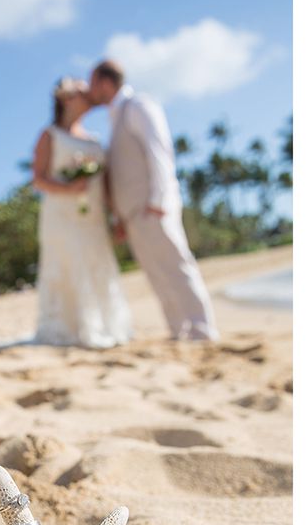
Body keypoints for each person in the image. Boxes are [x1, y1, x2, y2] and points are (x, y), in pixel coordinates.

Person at [89, 60, 219, 341]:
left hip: (153, 206)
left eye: (93, 82)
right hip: (134, 214)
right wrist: (120, 217)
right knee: (156, 273)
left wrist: (159, 199)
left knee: (177, 265)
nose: (90, 89)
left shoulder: (138, 105)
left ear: (105, 82)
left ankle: (202, 329)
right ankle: (178, 329)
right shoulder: (115, 118)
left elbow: (158, 150)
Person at [31, 77, 132, 349]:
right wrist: (69, 189)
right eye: (81, 92)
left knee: (98, 262)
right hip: (61, 214)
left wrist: (116, 216)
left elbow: (106, 185)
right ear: (66, 98)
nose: (88, 96)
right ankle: (72, 328)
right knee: (68, 262)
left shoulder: (95, 140)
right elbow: (38, 179)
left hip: (94, 216)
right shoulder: (49, 135)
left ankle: (105, 324)